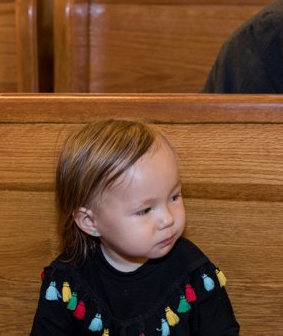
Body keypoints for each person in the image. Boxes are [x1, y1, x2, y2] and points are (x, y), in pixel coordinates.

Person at [31, 119, 239, 335]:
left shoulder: (194, 272)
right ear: (90, 222)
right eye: (145, 210)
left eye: (174, 196)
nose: (167, 218)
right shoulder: (66, 282)